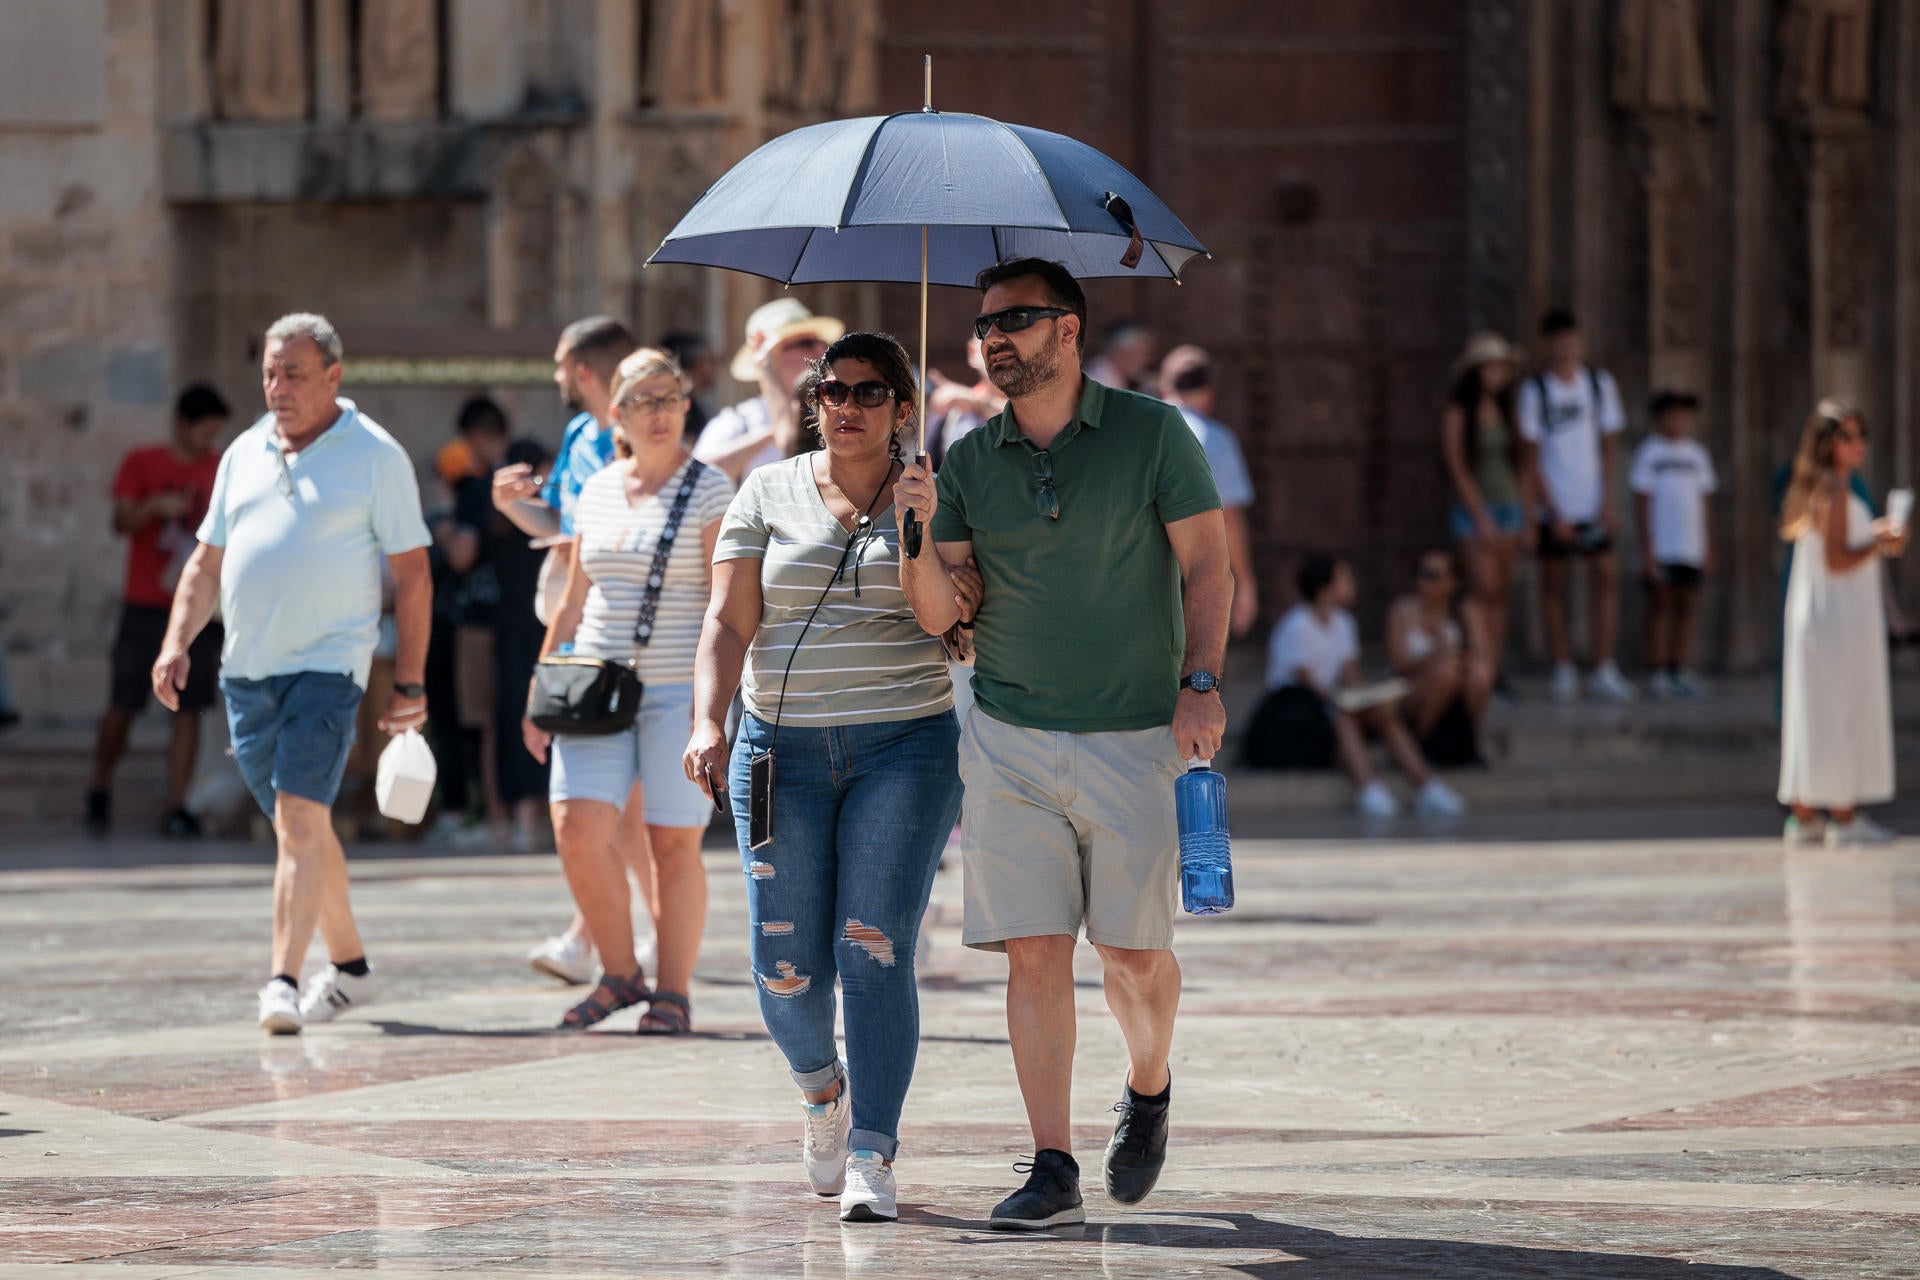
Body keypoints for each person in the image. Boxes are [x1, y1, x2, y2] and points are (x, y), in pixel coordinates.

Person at [897, 259, 1232, 1230]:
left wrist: (1200, 681)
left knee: (1132, 955)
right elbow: (941, 616)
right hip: (1008, 733)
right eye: (985, 323)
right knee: (1034, 952)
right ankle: (1052, 1160)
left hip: (1138, 732)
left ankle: (1150, 1081)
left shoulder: (1151, 432)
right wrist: (912, 530)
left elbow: (1209, 563)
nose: (995, 338)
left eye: (1017, 320)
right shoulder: (964, 462)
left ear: (1070, 328)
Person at [684, 331, 964, 1224]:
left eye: (871, 392)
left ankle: (875, 1150)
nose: (847, 405)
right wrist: (707, 719)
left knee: (871, 948)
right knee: (785, 969)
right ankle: (823, 1093)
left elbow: (939, 622)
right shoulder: (764, 488)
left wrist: (917, 529)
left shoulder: (934, 494)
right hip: (778, 752)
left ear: (904, 409)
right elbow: (728, 622)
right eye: (832, 390)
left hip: (904, 749)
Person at [152, 313, 432, 1033]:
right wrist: (176, 641)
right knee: (299, 830)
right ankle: (354, 970)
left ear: (333, 377)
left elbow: (414, 575)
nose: (278, 388)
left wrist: (409, 681)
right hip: (247, 672)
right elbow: (206, 563)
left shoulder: (376, 456)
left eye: (294, 374)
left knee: (301, 820)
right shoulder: (243, 452)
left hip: (329, 667)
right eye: (271, 374)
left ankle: (280, 978)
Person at [524, 348, 732, 1033]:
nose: (661, 411)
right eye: (644, 400)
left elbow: (723, 605)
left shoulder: (708, 489)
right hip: (595, 686)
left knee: (672, 843)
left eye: (671, 397)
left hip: (677, 691)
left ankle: (673, 993)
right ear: (616, 414)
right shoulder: (599, 488)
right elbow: (575, 595)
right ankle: (619, 973)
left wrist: (718, 707)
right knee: (576, 828)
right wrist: (541, 677)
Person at [492, 317, 656, 984]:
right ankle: (612, 937)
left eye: (562, 365)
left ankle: (615, 939)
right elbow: (560, 526)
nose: (557, 377)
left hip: (628, 634)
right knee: (607, 804)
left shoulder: (642, 439)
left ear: (583, 370)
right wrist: (510, 508)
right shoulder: (577, 437)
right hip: (580, 632)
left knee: (624, 805)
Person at [87, 383, 232, 837]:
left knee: (189, 709)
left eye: (215, 433)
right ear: (182, 424)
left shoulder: (221, 468)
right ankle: (99, 785)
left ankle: (177, 805)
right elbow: (118, 522)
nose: (209, 441)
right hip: (146, 605)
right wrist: (153, 506)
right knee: (122, 705)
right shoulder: (142, 462)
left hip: (198, 612)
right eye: (204, 431)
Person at [1778, 399, 1906, 845]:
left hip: (1831, 617)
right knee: (1837, 709)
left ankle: (1806, 814)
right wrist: (1876, 538)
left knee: (1819, 709)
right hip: (1832, 620)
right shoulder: (1831, 491)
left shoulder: (1829, 488)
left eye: (1861, 435)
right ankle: (1843, 817)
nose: (1859, 445)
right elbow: (1836, 559)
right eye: (1848, 437)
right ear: (1829, 443)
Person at [1261, 555, 1468, 818]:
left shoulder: (1344, 622)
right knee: (1344, 719)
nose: (1351, 583)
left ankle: (1427, 786)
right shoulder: (1297, 624)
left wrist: (1370, 698)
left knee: (1385, 718)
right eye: (1344, 578)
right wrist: (1344, 701)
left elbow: (1350, 675)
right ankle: (1369, 788)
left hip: (1332, 700)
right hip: (1295, 709)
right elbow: (1306, 680)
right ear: (1325, 586)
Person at [1516, 309, 1636, 703]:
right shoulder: (1536, 392)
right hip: (1555, 505)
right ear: (1547, 345)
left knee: (1605, 578)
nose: (1566, 347)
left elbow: (1609, 447)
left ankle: (1602, 664)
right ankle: (1563, 664)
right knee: (1554, 585)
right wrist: (1549, 510)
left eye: (1572, 339)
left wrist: (1607, 499)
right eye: (1558, 340)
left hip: (1592, 501)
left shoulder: (1599, 386)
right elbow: (1530, 456)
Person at [1440, 333, 1527, 688]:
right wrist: (1480, 515)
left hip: (1509, 506)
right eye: (1492, 367)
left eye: (1502, 367)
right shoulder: (1458, 412)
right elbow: (1456, 465)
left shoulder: (1509, 410)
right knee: (1481, 588)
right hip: (1476, 511)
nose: (1499, 374)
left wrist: (1525, 508)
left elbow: (1521, 461)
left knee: (1501, 591)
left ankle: (1495, 662)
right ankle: (1478, 659)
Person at [1160, 345, 1260, 639]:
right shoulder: (1217, 440)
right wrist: (1245, 583)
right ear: (1210, 391)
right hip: (1196, 572)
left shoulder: (1135, 434)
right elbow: (1229, 518)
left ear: (1164, 388)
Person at [693, 299, 843, 485]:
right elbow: (696, 479)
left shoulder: (840, 408)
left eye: (822, 342)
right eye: (806, 343)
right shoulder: (738, 420)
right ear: (769, 355)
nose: (822, 350)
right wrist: (770, 434)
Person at [1630, 390, 1718, 699]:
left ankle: (1678, 667)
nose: (1678, 421)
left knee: (1687, 607)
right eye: (1672, 414)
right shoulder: (1649, 453)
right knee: (1660, 608)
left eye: (1683, 414)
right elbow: (1642, 502)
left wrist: (1708, 544)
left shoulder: (1697, 455)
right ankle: (1656, 670)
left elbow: (1705, 502)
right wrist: (1647, 548)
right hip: (1662, 546)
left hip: (1690, 545)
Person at [1386, 550, 1491, 767]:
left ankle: (1464, 741)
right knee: (1445, 673)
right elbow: (1398, 664)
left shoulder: (1466, 612)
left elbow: (1481, 655)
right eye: (1421, 573)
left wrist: (1458, 659)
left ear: (1452, 582)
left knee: (1478, 674)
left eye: (1432, 575)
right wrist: (1434, 656)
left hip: (1457, 684)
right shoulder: (1402, 610)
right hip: (1413, 688)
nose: (1423, 581)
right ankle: (1419, 744)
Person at [925, 336, 1005, 468]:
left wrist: (975, 402)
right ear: (972, 351)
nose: (1001, 354)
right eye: (991, 344)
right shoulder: (952, 408)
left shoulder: (961, 398)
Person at [658, 329, 716, 443]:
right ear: (690, 366)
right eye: (707, 361)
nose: (712, 369)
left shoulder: (695, 408)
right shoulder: (674, 411)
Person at [1083, 318, 1156, 394]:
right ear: (1123, 350)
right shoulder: (1100, 381)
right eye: (1143, 352)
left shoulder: (1112, 377)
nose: (1147, 360)